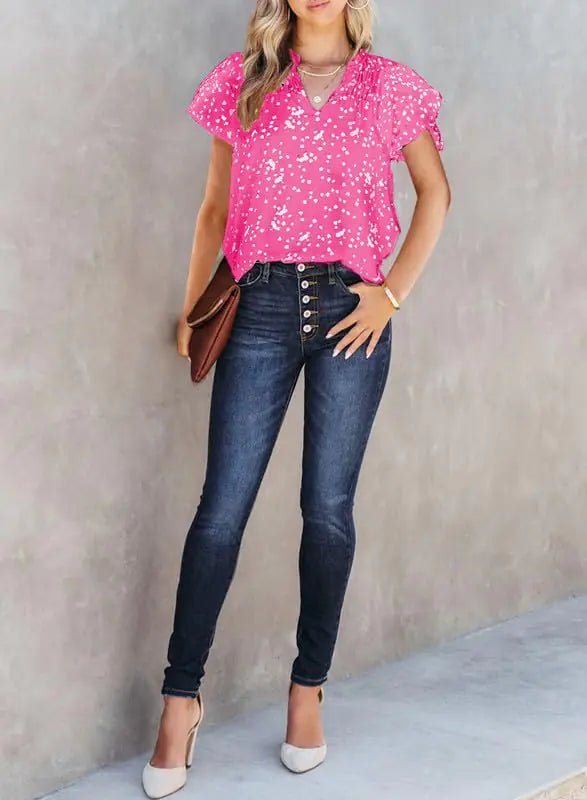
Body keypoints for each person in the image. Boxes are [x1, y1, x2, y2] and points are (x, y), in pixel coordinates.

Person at [142, 0, 450, 796]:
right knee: (220, 512)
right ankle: (179, 702)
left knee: (328, 511)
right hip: (258, 309)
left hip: (352, 310)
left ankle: (307, 690)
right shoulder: (241, 82)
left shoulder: (390, 87)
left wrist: (391, 295)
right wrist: (193, 310)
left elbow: (434, 194)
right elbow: (214, 208)